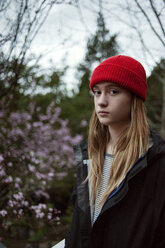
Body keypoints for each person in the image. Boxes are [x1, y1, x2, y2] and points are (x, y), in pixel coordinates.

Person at [65, 55, 165, 248]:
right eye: (97, 92)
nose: (101, 101)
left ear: (134, 98)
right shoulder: (88, 155)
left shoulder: (156, 162)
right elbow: (79, 228)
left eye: (113, 91)